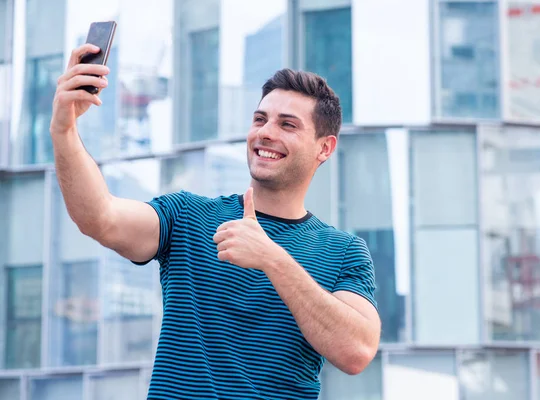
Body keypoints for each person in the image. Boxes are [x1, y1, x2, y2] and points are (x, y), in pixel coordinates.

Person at [50, 44, 381, 400]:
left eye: (287, 124)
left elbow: (356, 351)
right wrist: (64, 130)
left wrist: (272, 258)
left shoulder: (344, 251)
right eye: (260, 119)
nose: (266, 132)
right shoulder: (188, 216)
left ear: (325, 148)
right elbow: (100, 218)